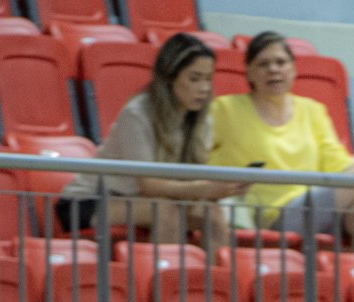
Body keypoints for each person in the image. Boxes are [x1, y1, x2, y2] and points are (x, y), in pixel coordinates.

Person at [208, 31, 354, 259]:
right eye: (263, 64)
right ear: (249, 72)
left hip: (318, 207)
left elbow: (337, 163)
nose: (273, 69)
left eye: (280, 62)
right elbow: (198, 154)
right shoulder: (225, 110)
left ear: (293, 69)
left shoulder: (312, 110)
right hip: (271, 215)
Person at [61, 32, 247, 246]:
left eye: (208, 79)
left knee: (212, 214)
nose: (204, 88)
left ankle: (213, 279)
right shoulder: (137, 113)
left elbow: (188, 179)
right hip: (89, 201)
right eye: (194, 78)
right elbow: (148, 185)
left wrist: (221, 190)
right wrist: (203, 188)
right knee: (166, 211)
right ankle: (167, 278)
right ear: (169, 78)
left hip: (146, 200)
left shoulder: (201, 119)